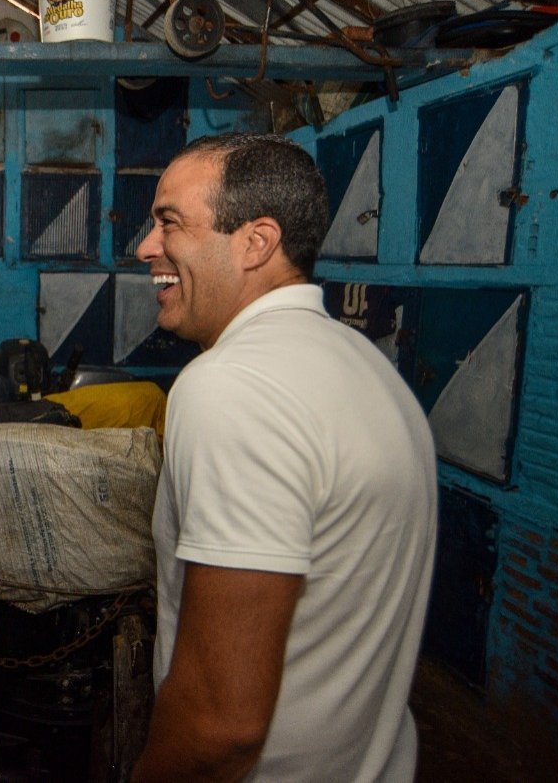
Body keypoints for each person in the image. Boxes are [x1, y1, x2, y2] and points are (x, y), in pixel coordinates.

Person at [130, 133, 437, 782]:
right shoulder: (369, 370)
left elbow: (223, 724)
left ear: (255, 242)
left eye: (169, 223)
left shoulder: (233, 386)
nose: (145, 247)